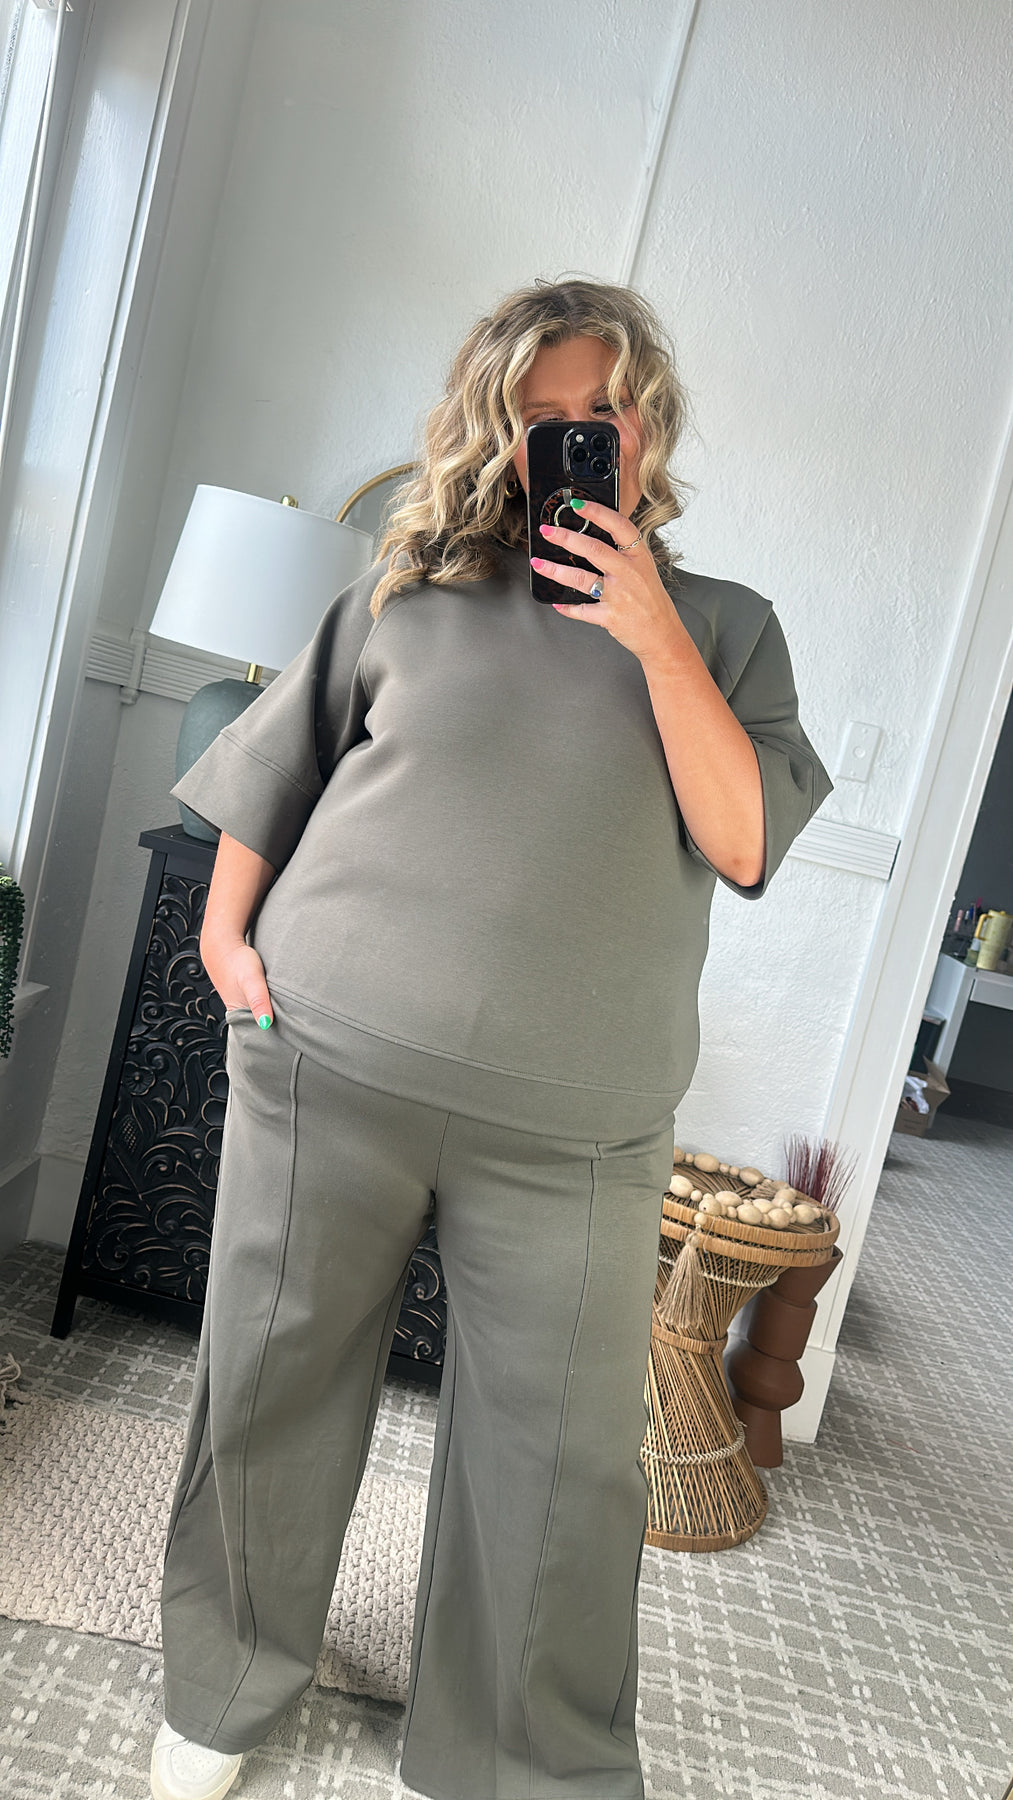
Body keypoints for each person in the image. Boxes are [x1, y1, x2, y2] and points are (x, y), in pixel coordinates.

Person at [149, 278, 832, 1800]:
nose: (579, 439)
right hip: (326, 1060)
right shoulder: (411, 590)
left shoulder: (730, 632)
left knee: (559, 1462)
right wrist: (225, 939)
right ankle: (219, 1691)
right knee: (267, 1382)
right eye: (543, 419)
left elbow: (740, 838)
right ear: (497, 434)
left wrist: (648, 629)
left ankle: (519, 1763)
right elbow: (286, 762)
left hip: (578, 1127)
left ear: (648, 426)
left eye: (606, 412)